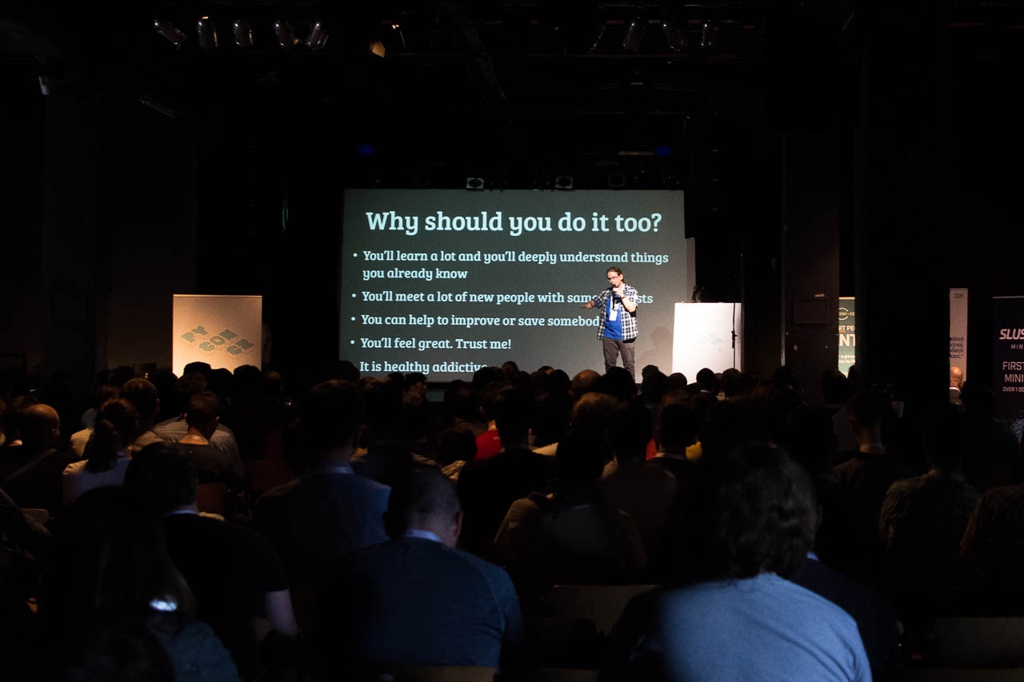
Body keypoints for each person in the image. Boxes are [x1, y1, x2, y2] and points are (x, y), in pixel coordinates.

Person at [580, 266, 639, 380]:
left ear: (621, 276)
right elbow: (595, 301)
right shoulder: (607, 292)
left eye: (614, 278)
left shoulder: (631, 291)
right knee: (610, 366)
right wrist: (587, 305)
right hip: (609, 335)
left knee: (629, 365)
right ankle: (611, 389)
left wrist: (622, 295)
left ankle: (630, 390)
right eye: (609, 279)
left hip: (626, 335)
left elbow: (632, 308)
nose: (611, 281)